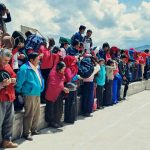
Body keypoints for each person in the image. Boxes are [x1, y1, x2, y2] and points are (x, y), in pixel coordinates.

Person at [15, 52, 44, 141]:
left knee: (36, 113)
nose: (39, 60)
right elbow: (19, 82)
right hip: (29, 94)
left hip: (37, 93)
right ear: (31, 60)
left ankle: (34, 130)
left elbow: (41, 78)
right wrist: (20, 91)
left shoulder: (37, 67)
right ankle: (27, 133)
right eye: (37, 59)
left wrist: (41, 87)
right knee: (29, 114)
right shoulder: (24, 68)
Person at [0, 49, 18, 148]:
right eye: (4, 60)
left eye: (8, 61)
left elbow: (14, 76)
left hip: (9, 96)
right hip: (1, 97)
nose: (6, 62)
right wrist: (2, 84)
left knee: (9, 121)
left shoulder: (8, 66)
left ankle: (6, 141)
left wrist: (14, 80)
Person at [45, 62, 69, 128]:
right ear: (58, 68)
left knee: (59, 108)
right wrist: (63, 88)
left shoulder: (61, 74)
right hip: (52, 93)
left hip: (59, 93)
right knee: (53, 109)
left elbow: (61, 82)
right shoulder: (53, 74)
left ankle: (57, 121)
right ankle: (52, 122)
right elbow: (53, 84)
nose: (63, 70)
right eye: (63, 69)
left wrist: (63, 88)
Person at [64, 55, 79, 123]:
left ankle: (72, 117)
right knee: (70, 103)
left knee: (73, 103)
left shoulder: (70, 68)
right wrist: (75, 74)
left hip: (73, 87)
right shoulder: (67, 69)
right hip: (70, 88)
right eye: (72, 61)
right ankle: (69, 119)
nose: (73, 62)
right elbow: (69, 78)